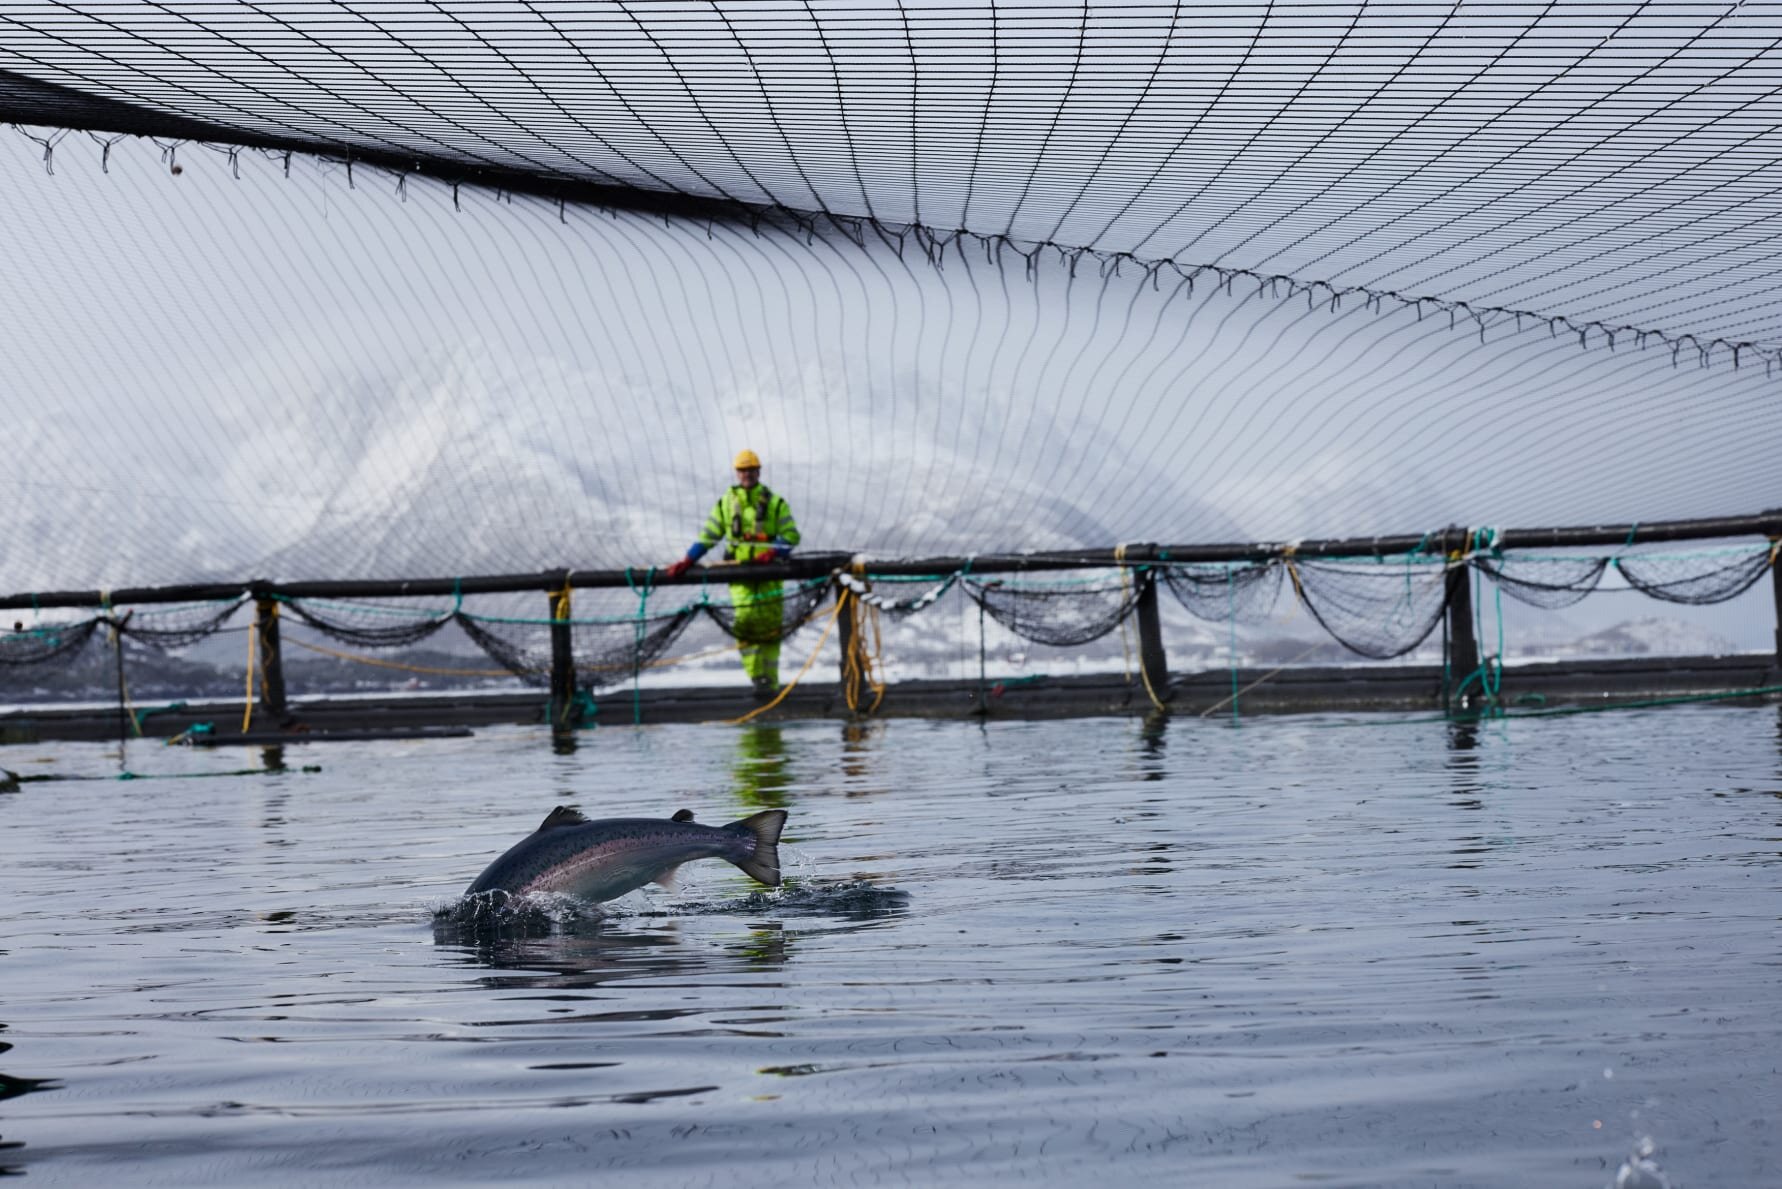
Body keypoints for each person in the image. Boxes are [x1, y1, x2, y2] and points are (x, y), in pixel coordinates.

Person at [665, 449, 801, 698]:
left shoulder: (775, 503)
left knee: (771, 627)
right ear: (737, 473)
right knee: (745, 622)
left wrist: (773, 552)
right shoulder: (726, 504)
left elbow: (792, 536)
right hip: (740, 576)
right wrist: (688, 559)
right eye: (742, 470)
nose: (747, 474)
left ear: (758, 472)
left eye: (751, 469)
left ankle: (770, 684)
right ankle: (756, 677)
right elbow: (709, 536)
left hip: (770, 575)